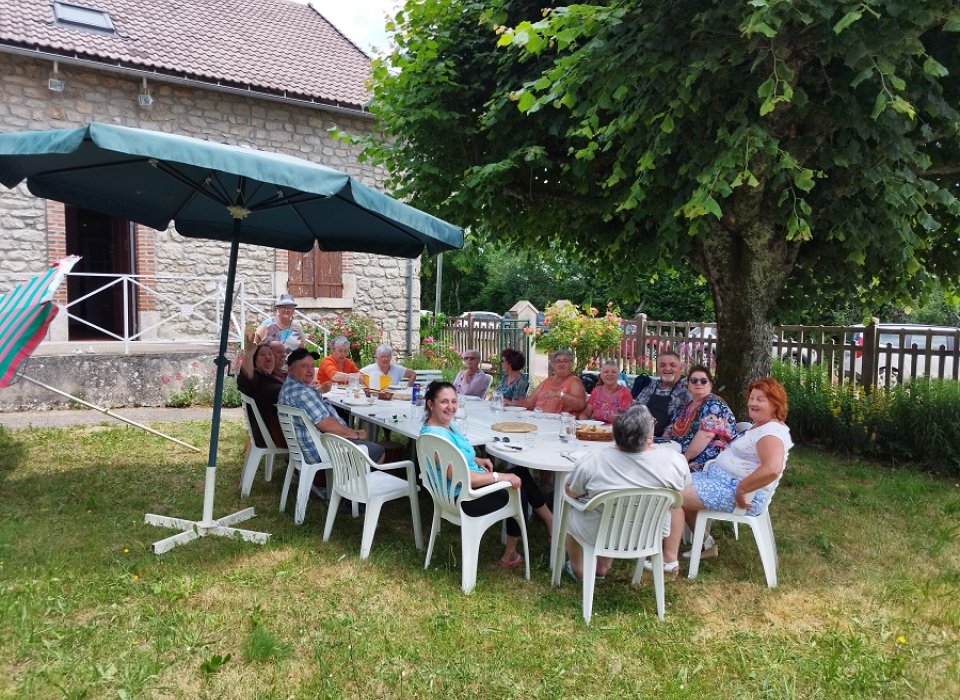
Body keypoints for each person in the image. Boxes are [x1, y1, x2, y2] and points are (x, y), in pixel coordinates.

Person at [420, 382, 552, 569]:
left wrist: (478, 460)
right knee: (517, 485)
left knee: (520, 472)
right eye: (444, 402)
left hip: (459, 490)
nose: (450, 407)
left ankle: (550, 521)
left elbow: (457, 459)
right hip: (465, 499)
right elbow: (466, 477)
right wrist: (500, 476)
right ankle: (510, 555)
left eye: (454, 401)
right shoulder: (440, 438)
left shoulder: (438, 428)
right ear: (430, 404)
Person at [669, 377, 793, 562]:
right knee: (671, 484)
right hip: (720, 481)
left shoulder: (771, 433)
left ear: (775, 404)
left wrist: (743, 489)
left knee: (673, 497)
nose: (752, 403)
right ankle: (706, 544)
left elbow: (772, 469)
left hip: (737, 492)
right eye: (752, 398)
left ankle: (668, 561)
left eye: (760, 399)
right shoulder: (761, 425)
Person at [563, 404, 690, 580]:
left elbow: (571, 492)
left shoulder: (593, 461)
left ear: (615, 435)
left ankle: (580, 570)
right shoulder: (675, 461)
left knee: (573, 509)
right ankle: (602, 566)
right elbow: (679, 494)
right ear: (649, 438)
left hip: (598, 533)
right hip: (649, 534)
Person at [279, 348, 385, 467]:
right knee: (377, 451)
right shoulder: (302, 393)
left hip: (308, 448)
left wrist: (319, 391)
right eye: (304, 366)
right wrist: (356, 434)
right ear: (291, 370)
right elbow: (327, 425)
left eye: (311, 366)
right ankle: (356, 483)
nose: (310, 371)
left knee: (365, 443)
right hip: (322, 451)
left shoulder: (290, 388)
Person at [662, 365, 736, 470]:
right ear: (688, 385)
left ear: (710, 385)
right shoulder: (686, 406)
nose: (698, 383)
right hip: (678, 454)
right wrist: (661, 448)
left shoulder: (714, 404)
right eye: (694, 380)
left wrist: (684, 459)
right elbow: (670, 429)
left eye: (703, 381)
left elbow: (705, 436)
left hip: (706, 460)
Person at [236, 327, 285, 448]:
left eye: (270, 354)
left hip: (282, 429)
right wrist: (248, 356)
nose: (268, 357)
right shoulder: (257, 380)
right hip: (271, 434)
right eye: (263, 355)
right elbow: (246, 380)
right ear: (254, 360)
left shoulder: (273, 376)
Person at [504, 349, 586, 414]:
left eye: (565, 361)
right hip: (539, 418)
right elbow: (529, 402)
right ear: (553, 366)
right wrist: (511, 403)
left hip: (557, 424)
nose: (561, 364)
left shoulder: (574, 381)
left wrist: (560, 394)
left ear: (571, 365)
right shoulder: (548, 381)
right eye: (558, 361)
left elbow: (580, 405)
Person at [631, 351, 691, 437]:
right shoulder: (652, 386)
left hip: (667, 442)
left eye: (672, 365)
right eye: (662, 365)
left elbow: (683, 421)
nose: (667, 368)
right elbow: (635, 408)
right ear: (657, 368)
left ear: (680, 368)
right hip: (640, 437)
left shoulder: (687, 389)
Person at [579, 359, 632, 423]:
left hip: (617, 431)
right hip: (597, 431)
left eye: (613, 372)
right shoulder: (597, 391)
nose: (609, 374)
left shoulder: (624, 392)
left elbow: (628, 420)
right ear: (601, 375)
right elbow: (585, 413)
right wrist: (583, 422)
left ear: (618, 375)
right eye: (606, 372)